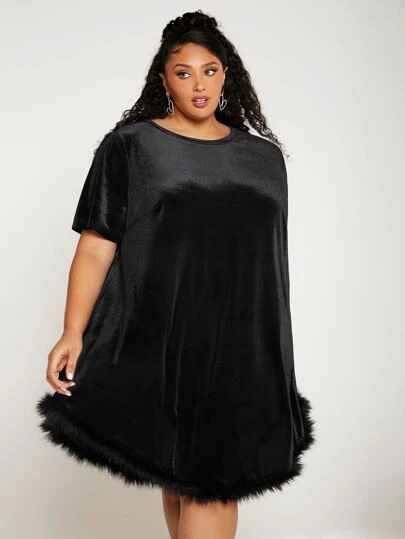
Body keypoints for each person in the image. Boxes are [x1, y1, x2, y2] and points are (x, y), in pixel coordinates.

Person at [35, 10, 316, 539]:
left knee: (210, 483)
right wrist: (72, 330)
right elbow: (96, 246)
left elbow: (268, 262)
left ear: (227, 75)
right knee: (182, 480)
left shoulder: (263, 158)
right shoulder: (132, 147)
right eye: (183, 73)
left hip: (244, 350)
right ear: (163, 81)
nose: (198, 84)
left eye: (209, 70)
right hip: (163, 343)